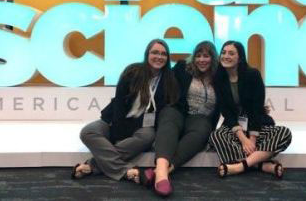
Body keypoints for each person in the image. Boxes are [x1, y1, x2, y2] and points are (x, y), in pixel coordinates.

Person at [71, 39, 179, 182]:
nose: (159, 57)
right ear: (147, 54)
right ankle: (126, 171)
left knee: (148, 136)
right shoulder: (133, 71)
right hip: (116, 120)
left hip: (142, 126)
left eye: (163, 54)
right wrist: (117, 134)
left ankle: (93, 165)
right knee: (88, 132)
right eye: (155, 52)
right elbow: (119, 103)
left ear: (168, 58)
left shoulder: (169, 80)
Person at [141, 41, 221, 197]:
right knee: (168, 117)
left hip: (200, 118)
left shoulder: (219, 78)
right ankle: (163, 176)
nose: (201, 60)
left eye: (206, 56)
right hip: (178, 111)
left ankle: (159, 170)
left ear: (213, 58)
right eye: (198, 56)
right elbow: (162, 80)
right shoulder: (182, 68)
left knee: (203, 130)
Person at [209, 40, 292, 179]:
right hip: (235, 127)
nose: (226, 56)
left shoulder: (252, 75)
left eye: (231, 53)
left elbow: (256, 109)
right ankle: (262, 165)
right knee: (216, 137)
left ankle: (239, 166)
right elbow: (227, 112)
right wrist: (243, 139)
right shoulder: (218, 78)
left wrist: (252, 140)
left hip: (257, 125)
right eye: (223, 52)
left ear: (240, 57)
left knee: (284, 133)